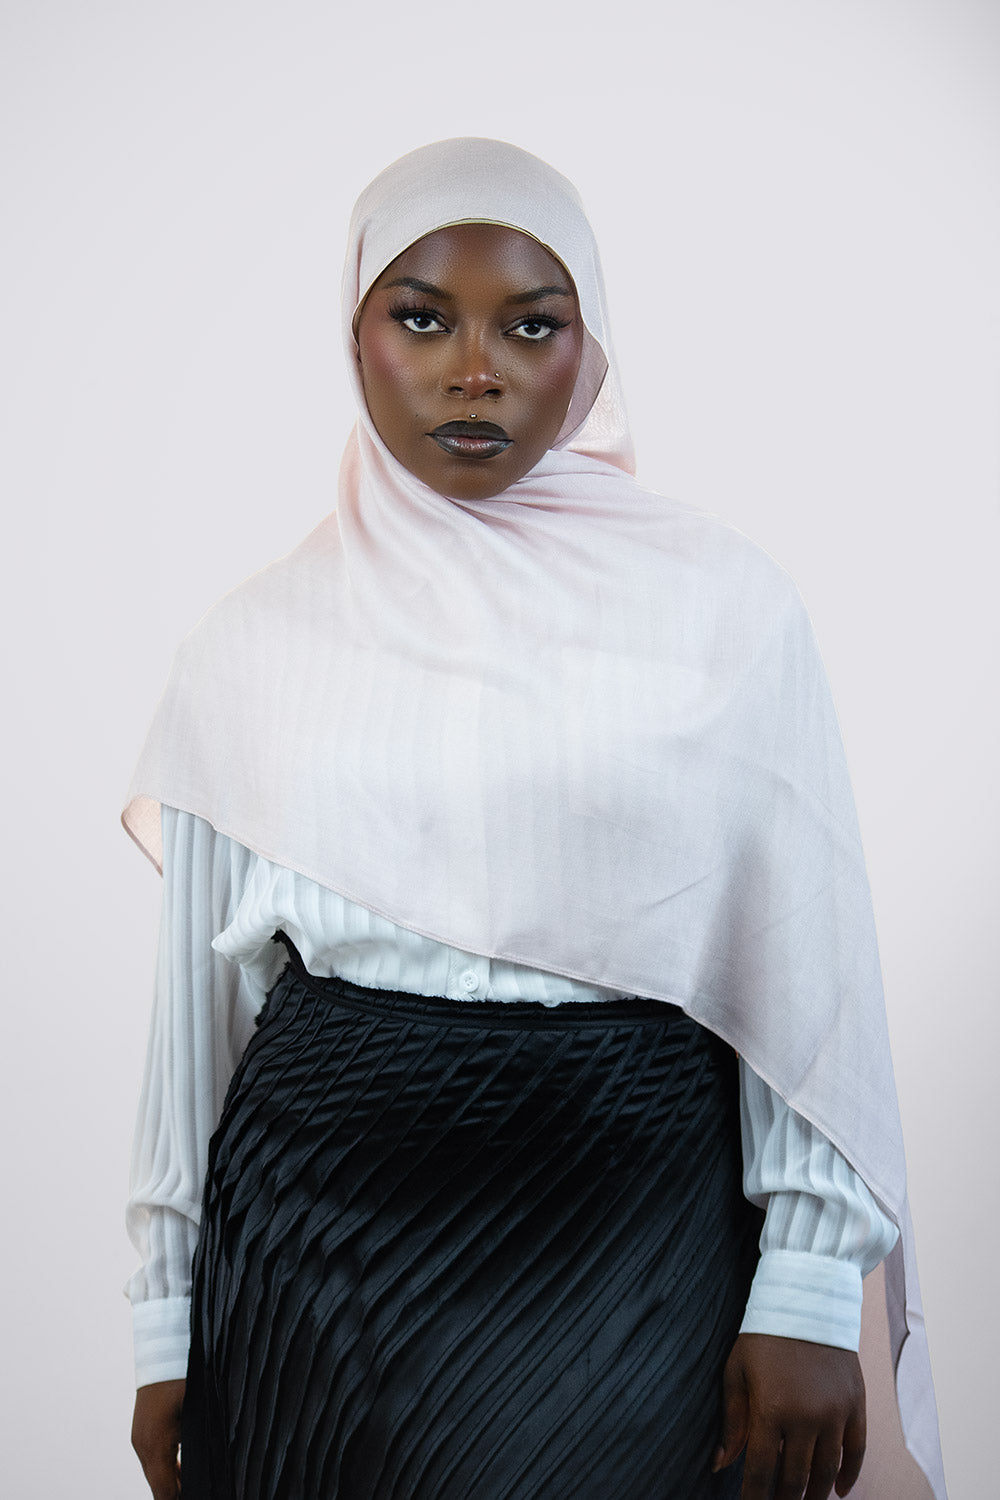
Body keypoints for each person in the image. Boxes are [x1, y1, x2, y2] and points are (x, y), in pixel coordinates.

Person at [124, 138, 945, 1499]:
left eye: (530, 324)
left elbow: (808, 958)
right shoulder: (251, 645)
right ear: (354, 337)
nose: (475, 370)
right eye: (421, 319)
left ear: (591, 348)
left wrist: (807, 1287)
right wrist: (166, 1313)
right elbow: (196, 1018)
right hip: (318, 1243)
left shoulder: (724, 609)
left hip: (631, 1210)